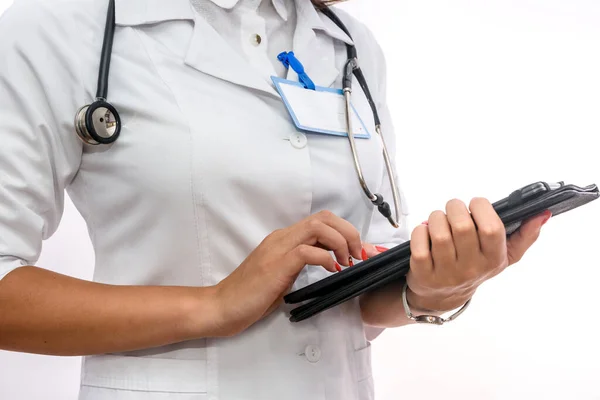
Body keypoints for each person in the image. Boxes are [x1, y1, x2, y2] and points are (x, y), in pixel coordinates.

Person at [0, 0, 551, 399]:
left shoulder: (349, 44)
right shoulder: (62, 26)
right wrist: (213, 305)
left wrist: (432, 290)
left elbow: (357, 285)